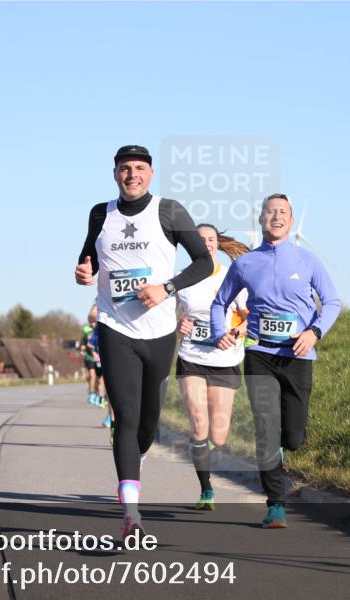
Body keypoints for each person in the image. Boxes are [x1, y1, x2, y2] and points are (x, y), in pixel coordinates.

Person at [75, 145, 213, 542]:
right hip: (115, 328)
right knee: (126, 418)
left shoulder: (168, 211)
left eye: (138, 168)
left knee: (148, 423)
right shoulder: (101, 213)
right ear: (114, 173)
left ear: (151, 173)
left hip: (159, 332)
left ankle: (137, 456)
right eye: (124, 168)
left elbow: (203, 262)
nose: (131, 174)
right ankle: (131, 516)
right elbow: (88, 260)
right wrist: (85, 272)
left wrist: (166, 288)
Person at [211, 193, 341, 528]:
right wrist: (218, 333)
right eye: (271, 211)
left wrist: (314, 332)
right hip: (259, 354)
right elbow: (218, 304)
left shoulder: (307, 260)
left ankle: (280, 453)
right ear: (261, 220)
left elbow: (332, 302)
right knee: (266, 430)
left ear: (292, 220)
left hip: (298, 355)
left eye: (283, 212)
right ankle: (276, 504)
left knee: (293, 437)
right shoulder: (245, 264)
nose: (276, 216)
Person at [175, 224, 250, 510]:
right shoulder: (183, 279)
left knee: (218, 436)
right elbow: (170, 315)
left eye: (211, 239)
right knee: (198, 425)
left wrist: (238, 331)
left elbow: (249, 314)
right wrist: (178, 324)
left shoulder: (233, 276)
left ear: (218, 244)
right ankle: (206, 489)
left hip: (225, 360)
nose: (206, 243)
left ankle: (209, 460)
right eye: (200, 239)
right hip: (191, 357)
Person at [81, 305, 101, 405]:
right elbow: (84, 342)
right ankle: (92, 393)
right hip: (89, 356)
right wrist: (82, 348)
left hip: (100, 358)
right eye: (91, 320)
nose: (93, 323)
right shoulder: (86, 330)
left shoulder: (101, 328)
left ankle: (99, 395)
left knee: (99, 379)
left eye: (95, 320)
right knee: (92, 375)